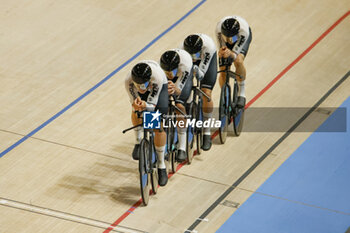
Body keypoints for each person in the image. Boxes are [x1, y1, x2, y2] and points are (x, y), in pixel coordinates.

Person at [125, 61, 168, 186]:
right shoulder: (128, 81)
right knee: (136, 109)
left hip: (159, 90)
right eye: (138, 85)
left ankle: (161, 165)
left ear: (148, 81)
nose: (140, 88)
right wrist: (137, 104)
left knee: (156, 125)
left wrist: (147, 106)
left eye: (143, 85)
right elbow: (134, 101)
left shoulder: (157, 79)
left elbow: (152, 106)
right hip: (143, 91)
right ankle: (138, 141)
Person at [182, 33, 217, 151]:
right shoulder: (181, 50)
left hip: (205, 64)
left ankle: (206, 132)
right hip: (190, 65)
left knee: (206, 92)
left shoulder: (208, 48)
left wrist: (196, 70)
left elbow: (201, 75)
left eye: (194, 54)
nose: (193, 56)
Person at [160, 49, 193, 162]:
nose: (169, 75)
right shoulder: (159, 71)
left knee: (179, 105)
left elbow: (178, 91)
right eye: (167, 72)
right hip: (167, 80)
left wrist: (174, 89)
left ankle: (182, 147)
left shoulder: (184, 66)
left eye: (171, 72)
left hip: (182, 78)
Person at [215, 15, 252, 108]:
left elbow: (234, 55)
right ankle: (225, 95)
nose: (229, 41)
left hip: (241, 40)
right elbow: (221, 46)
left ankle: (241, 93)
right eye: (226, 38)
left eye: (231, 39)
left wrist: (231, 54)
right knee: (223, 68)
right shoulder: (218, 29)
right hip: (230, 37)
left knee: (238, 61)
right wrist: (222, 52)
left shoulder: (244, 32)